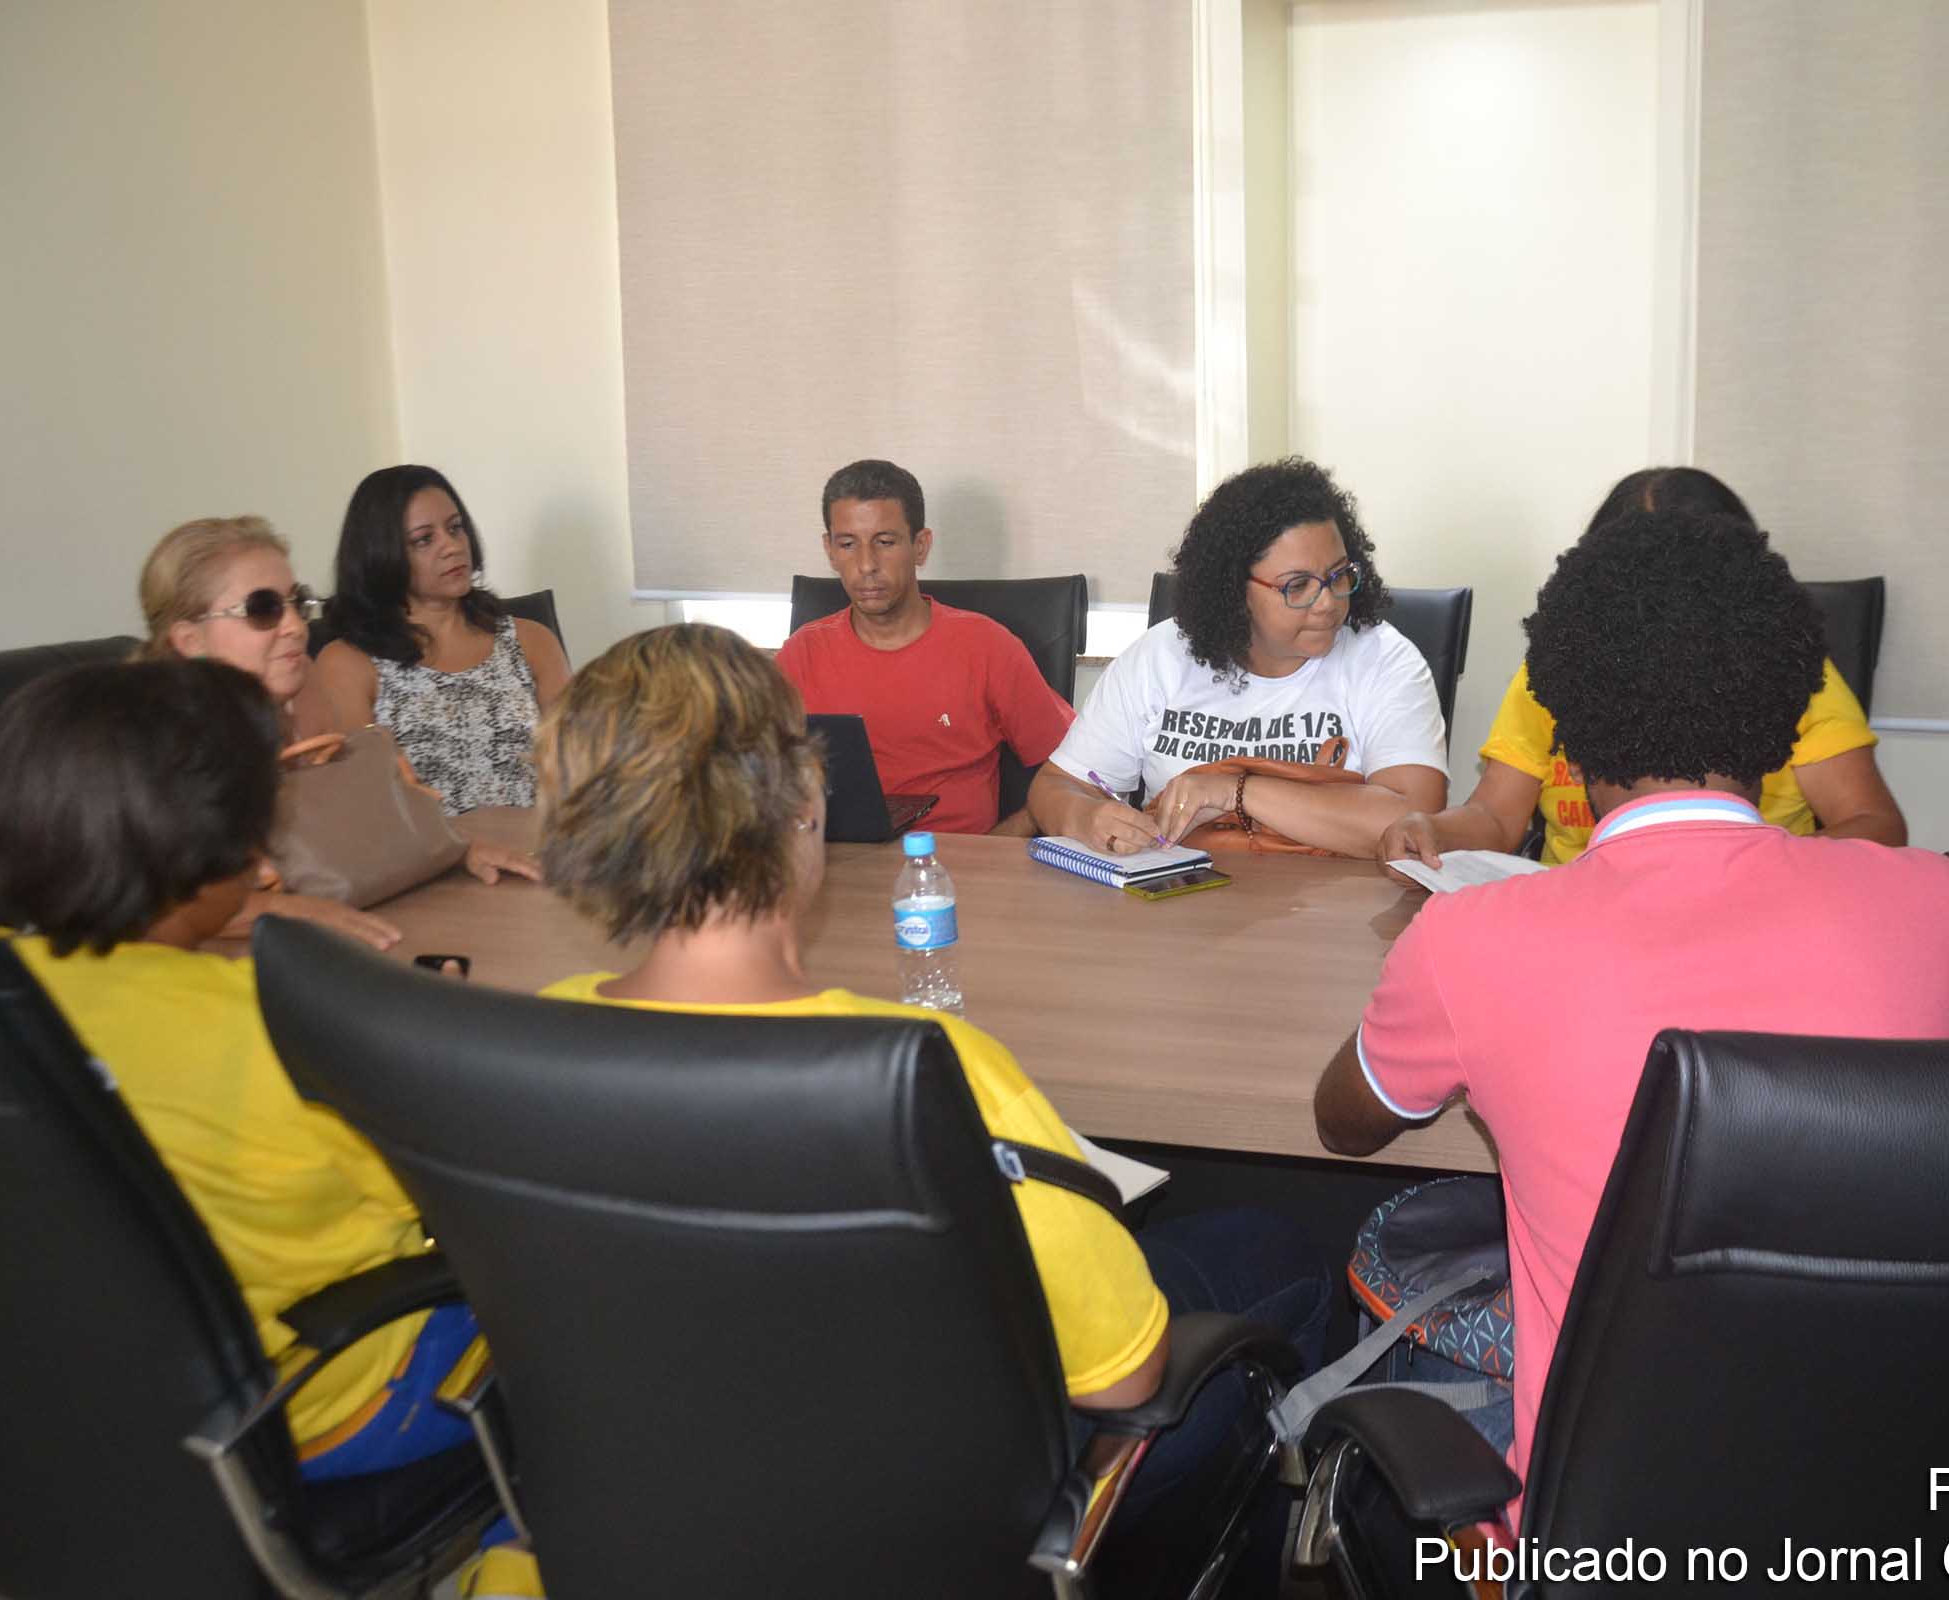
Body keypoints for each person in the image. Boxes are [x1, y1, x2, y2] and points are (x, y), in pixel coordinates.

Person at [528, 624, 1329, 1592]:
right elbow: (1123, 1377)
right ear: (805, 804)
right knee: (1285, 1255)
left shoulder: (533, 1039)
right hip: (931, 1521)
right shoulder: (926, 1070)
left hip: (667, 1495)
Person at [1314, 510, 1949, 1528]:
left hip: (1611, 1532)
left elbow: (1345, 1120)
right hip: (1906, 1502)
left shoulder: (1470, 939)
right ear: (1788, 709)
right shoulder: (1945, 905)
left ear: (1563, 723)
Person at [0, 658, 486, 1481]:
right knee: (602, 1300)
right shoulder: (275, 1025)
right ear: (218, 850)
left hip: (70, 1404)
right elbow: (446, 1192)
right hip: (322, 1404)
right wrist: (422, 1043)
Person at [1383, 466, 1905, 869]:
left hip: (1748, 905)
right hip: (1584, 909)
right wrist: (1433, 829)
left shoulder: (1790, 670)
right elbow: (1497, 817)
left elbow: (1873, 825)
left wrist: (1763, 868)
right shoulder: (1562, 666)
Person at [139, 515, 537, 950]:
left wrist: (452, 849)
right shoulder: (151, 739)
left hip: (322, 944)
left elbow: (353, 822)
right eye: (263, 609)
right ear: (189, 639)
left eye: (297, 602)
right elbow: (157, 904)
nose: (295, 626)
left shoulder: (301, 686)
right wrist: (289, 912)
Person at [1033, 457, 1448, 857]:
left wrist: (1235, 791)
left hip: (1336, 913)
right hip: (1181, 906)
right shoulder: (1160, 657)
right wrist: (1087, 816)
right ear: (1233, 590)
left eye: (1339, 576)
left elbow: (1416, 822)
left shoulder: (1383, 660)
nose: (1327, 603)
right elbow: (1053, 789)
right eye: (1297, 585)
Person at [775, 459, 1075, 834]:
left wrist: (1004, 842)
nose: (866, 564)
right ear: (830, 551)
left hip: (960, 870)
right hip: (837, 866)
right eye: (848, 544)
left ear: (920, 546)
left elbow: (1078, 769)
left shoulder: (988, 648)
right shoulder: (802, 654)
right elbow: (753, 773)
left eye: (885, 542)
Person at [314, 465, 571, 814]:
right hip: (427, 862)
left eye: (455, 528)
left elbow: (579, 768)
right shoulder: (348, 662)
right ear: (380, 555)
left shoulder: (532, 640)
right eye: (424, 539)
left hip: (539, 852)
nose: (451, 547)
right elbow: (370, 803)